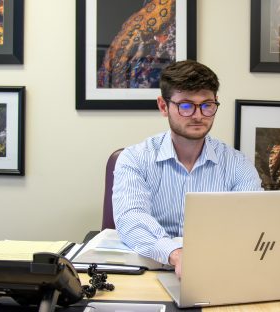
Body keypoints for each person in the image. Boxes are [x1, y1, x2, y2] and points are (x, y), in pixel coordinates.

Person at [112, 60, 263, 278]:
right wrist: (175, 253)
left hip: (217, 270)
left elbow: (253, 221)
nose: (198, 115)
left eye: (207, 105)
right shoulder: (135, 158)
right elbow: (131, 217)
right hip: (150, 269)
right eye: (185, 105)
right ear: (163, 106)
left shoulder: (238, 164)